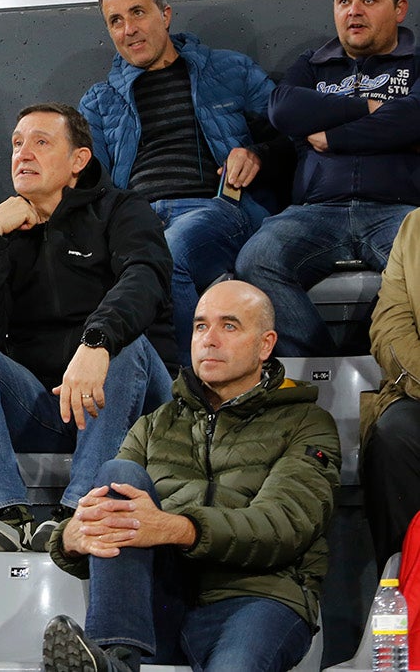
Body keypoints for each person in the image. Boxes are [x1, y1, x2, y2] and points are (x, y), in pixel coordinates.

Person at [41, 281, 339, 672]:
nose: (209, 340)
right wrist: (71, 538)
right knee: (118, 475)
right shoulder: (155, 425)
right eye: (200, 326)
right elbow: (112, 534)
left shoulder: (307, 423)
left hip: (260, 597)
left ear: (265, 345)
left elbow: (283, 527)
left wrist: (176, 528)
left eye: (229, 326)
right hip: (165, 601)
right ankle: (117, 660)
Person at [0, 103, 174, 555]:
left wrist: (96, 341)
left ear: (78, 161)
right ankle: (4, 514)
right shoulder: (4, 229)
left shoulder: (122, 209)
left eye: (41, 142)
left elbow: (145, 280)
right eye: (17, 143)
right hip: (52, 407)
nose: (23, 153)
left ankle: (78, 513)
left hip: (133, 402)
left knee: (124, 343)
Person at [80, 0, 285, 365]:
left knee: (166, 257)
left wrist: (257, 154)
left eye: (137, 13)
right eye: (115, 21)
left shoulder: (230, 71)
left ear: (166, 14)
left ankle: (190, 386)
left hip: (218, 209)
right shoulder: (99, 101)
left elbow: (291, 138)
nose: (129, 30)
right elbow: (91, 185)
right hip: (137, 219)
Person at [237, 0, 420, 356]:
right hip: (315, 212)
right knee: (257, 258)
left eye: (369, 0)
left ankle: (400, 377)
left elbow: (413, 118)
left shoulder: (417, 62)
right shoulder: (313, 64)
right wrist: (370, 108)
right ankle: (322, 376)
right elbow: (283, 110)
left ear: (400, 8)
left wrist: (333, 137)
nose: (353, 11)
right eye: (343, 1)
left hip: (400, 211)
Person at [363, 207, 420, 570]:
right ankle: (406, 593)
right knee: (393, 434)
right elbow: (389, 327)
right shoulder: (415, 227)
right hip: (419, 388)